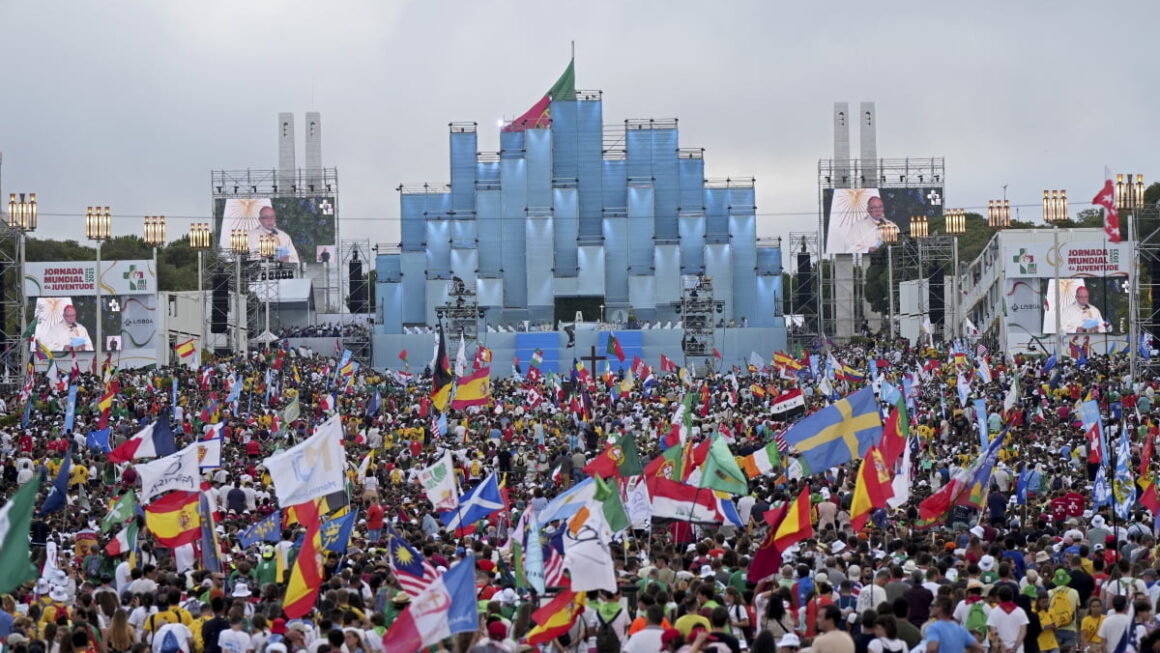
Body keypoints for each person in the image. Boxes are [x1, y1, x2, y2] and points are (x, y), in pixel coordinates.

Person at [828, 193, 896, 254]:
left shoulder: (890, 225)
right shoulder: (858, 226)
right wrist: (867, 249)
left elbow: (896, 244)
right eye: (874, 207)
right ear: (868, 210)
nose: (878, 210)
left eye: (880, 207)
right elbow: (849, 248)